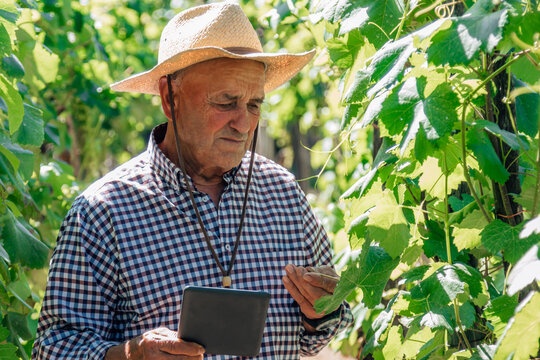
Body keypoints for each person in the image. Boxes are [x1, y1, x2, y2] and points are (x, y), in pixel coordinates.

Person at [32, 2, 353, 359]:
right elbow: (52, 349)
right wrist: (130, 354)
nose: (244, 124)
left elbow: (321, 334)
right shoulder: (103, 212)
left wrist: (323, 312)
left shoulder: (284, 194)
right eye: (226, 102)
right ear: (170, 99)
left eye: (253, 105)